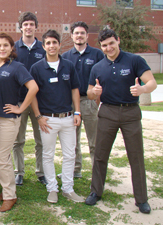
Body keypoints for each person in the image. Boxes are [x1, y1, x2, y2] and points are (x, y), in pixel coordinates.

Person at [85, 29, 157, 214]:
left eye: (111, 43)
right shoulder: (97, 67)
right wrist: (95, 93)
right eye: (104, 45)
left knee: (136, 156)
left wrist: (142, 90)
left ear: (118, 40)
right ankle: (96, 192)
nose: (108, 48)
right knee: (100, 154)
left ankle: (141, 200)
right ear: (101, 47)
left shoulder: (134, 60)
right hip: (107, 111)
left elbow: (152, 82)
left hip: (130, 112)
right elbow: (90, 91)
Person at [0, 32, 38, 212]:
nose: (2, 49)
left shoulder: (17, 67)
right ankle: (7, 191)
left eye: (6, 45)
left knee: (2, 158)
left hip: (8, 120)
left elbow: (33, 87)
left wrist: (20, 109)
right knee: (0, 159)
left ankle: (10, 196)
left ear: (11, 47)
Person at [30, 29, 84, 204]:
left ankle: (68, 188)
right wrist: (38, 117)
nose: (52, 46)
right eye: (48, 43)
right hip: (48, 119)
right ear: (44, 46)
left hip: (68, 118)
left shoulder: (68, 65)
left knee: (70, 155)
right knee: (48, 155)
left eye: (55, 42)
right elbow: (33, 94)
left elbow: (75, 89)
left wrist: (77, 112)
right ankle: (52, 188)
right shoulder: (37, 68)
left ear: (60, 44)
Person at [62, 21, 104, 178]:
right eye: (76, 33)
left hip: (89, 101)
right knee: (73, 141)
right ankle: (75, 170)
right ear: (71, 35)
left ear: (87, 36)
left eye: (82, 33)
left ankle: (97, 173)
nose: (79, 36)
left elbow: (102, 79)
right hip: (72, 103)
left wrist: (97, 102)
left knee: (94, 141)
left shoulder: (97, 54)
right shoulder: (65, 56)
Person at [13, 11, 46, 186]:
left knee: (41, 139)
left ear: (35, 26)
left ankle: (41, 172)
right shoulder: (14, 48)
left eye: (31, 24)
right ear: (20, 27)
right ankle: (19, 171)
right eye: (25, 24)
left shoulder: (44, 48)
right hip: (19, 100)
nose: (28, 27)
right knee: (18, 140)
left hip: (39, 102)